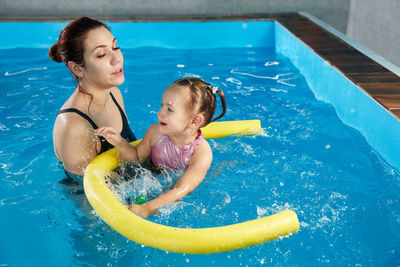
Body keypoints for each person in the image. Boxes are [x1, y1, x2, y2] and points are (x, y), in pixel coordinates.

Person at [96, 77, 226, 217]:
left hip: (179, 195)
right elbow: (137, 158)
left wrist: (147, 208)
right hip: (152, 177)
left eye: (169, 109)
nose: (160, 112)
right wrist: (119, 143)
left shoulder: (201, 153)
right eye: (162, 105)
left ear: (194, 121)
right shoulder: (155, 132)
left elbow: (182, 189)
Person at [50, 17, 136, 184]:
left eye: (115, 47)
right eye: (101, 54)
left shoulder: (114, 94)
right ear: (77, 68)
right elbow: (86, 198)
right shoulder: (74, 127)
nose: (116, 59)